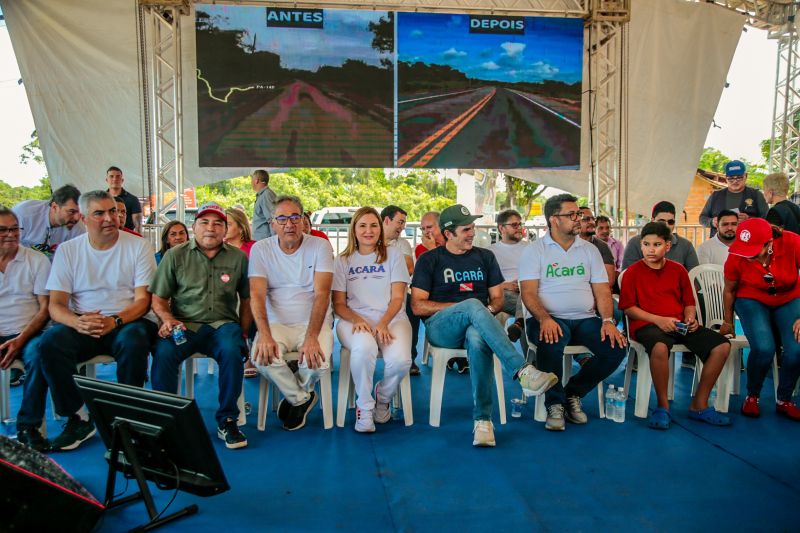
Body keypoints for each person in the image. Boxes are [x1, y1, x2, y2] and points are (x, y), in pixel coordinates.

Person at [411, 203, 557, 447]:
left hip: (476, 325)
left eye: (472, 228)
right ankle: (522, 371)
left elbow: (498, 300)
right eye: (466, 229)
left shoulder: (485, 257)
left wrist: (480, 314)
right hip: (441, 329)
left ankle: (483, 421)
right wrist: (469, 309)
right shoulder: (429, 260)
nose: (472, 233)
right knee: (471, 305)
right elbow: (417, 306)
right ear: (448, 234)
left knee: (478, 337)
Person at [39, 190, 157, 451]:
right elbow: (56, 306)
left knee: (134, 339)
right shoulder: (68, 251)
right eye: (99, 213)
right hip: (84, 322)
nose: (109, 218)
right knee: (49, 343)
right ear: (83, 218)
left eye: (113, 211)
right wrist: (76, 322)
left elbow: (143, 302)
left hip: (127, 319)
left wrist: (114, 320)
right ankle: (77, 418)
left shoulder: (139, 246)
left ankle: (129, 418)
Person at [520, 194, 627, 431]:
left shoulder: (589, 250)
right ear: (554, 220)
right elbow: (528, 292)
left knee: (617, 347)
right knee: (552, 337)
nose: (578, 219)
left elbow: (602, 289)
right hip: (548, 318)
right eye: (572, 215)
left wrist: (608, 321)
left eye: (578, 214)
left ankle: (572, 394)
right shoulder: (535, 250)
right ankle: (554, 404)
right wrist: (545, 318)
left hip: (585, 318)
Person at [150, 202, 251, 449]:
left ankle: (227, 420)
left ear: (225, 229)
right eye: (204, 222)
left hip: (223, 324)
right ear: (193, 227)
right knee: (163, 352)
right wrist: (167, 319)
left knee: (231, 349)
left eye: (218, 223)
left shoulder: (238, 258)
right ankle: (167, 420)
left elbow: (247, 299)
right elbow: (158, 299)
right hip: (184, 325)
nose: (211, 228)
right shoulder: (175, 256)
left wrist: (244, 332)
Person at [619, 222, 731, 429]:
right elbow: (628, 308)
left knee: (722, 346)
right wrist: (658, 320)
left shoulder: (678, 270)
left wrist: (690, 318)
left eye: (657, 244)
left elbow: (689, 302)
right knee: (660, 347)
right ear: (640, 245)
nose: (651, 249)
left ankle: (699, 403)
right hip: (647, 324)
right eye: (646, 244)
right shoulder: (633, 272)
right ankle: (663, 407)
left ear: (667, 246)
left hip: (679, 324)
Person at [249, 195, 335, 431]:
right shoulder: (260, 249)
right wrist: (264, 335)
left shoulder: (320, 246)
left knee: (318, 362)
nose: (290, 224)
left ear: (304, 220)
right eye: (283, 218)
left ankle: (295, 395)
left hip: (313, 322)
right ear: (273, 223)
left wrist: (310, 336)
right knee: (260, 357)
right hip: (277, 324)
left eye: (295, 217)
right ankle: (302, 397)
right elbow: (256, 295)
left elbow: (322, 294)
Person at [333, 207, 411, 432]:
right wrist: (357, 319)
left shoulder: (394, 255)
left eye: (374, 225)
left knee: (400, 361)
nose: (369, 231)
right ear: (354, 230)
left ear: (380, 227)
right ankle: (364, 407)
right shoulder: (343, 260)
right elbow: (339, 304)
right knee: (364, 347)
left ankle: (383, 396)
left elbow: (398, 297)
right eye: (363, 226)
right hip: (353, 319)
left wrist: (384, 322)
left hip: (392, 318)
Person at [720, 218, 800, 421]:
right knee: (764, 347)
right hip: (751, 298)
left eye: (753, 252)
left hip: (789, 297)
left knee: (796, 347)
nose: (748, 256)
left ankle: (784, 399)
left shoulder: (792, 243)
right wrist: (728, 321)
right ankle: (752, 395)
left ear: (770, 243)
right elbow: (729, 290)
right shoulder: (736, 256)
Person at [0, 206, 51, 451]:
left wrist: (20, 339)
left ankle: (28, 427)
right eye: (3, 230)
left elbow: (45, 310)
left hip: (29, 332)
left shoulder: (36, 260)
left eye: (15, 229)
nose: (11, 234)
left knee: (40, 354)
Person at [623, 201, 699, 271]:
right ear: (652, 220)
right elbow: (628, 275)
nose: (666, 225)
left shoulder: (686, 245)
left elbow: (695, 276)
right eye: (661, 221)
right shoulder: (634, 243)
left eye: (670, 222)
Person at [699, 160, 768, 237]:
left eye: (739, 178)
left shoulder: (756, 195)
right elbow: (702, 218)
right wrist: (712, 222)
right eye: (731, 178)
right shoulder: (716, 195)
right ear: (726, 178)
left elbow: (767, 220)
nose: (735, 181)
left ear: (746, 176)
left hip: (747, 243)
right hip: (719, 243)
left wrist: (749, 220)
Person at [13, 184, 85, 257]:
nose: (77, 218)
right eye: (71, 212)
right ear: (54, 207)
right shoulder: (24, 214)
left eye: (79, 212)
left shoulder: (78, 228)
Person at [489, 209, 527, 343]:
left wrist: (526, 284)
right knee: (529, 303)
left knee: (529, 296)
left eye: (520, 224)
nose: (519, 228)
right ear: (501, 228)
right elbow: (484, 281)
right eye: (514, 225)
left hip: (526, 291)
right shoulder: (490, 252)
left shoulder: (531, 248)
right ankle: (520, 323)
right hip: (504, 294)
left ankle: (519, 324)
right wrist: (505, 285)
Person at [578, 207, 616, 286]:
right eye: (586, 219)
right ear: (576, 222)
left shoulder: (603, 246)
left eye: (593, 219)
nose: (592, 222)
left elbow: (609, 280)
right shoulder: (568, 245)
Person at [105, 166, 142, 233]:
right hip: (106, 237)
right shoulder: (101, 200)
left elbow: (138, 226)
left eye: (118, 176)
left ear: (122, 180)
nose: (115, 179)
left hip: (128, 237)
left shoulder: (133, 199)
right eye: (111, 176)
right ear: (107, 180)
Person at [251, 169, 277, 241]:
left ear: (256, 180)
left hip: (266, 241)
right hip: (262, 241)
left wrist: (275, 242)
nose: (251, 182)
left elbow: (273, 220)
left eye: (252, 179)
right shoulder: (263, 195)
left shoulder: (266, 195)